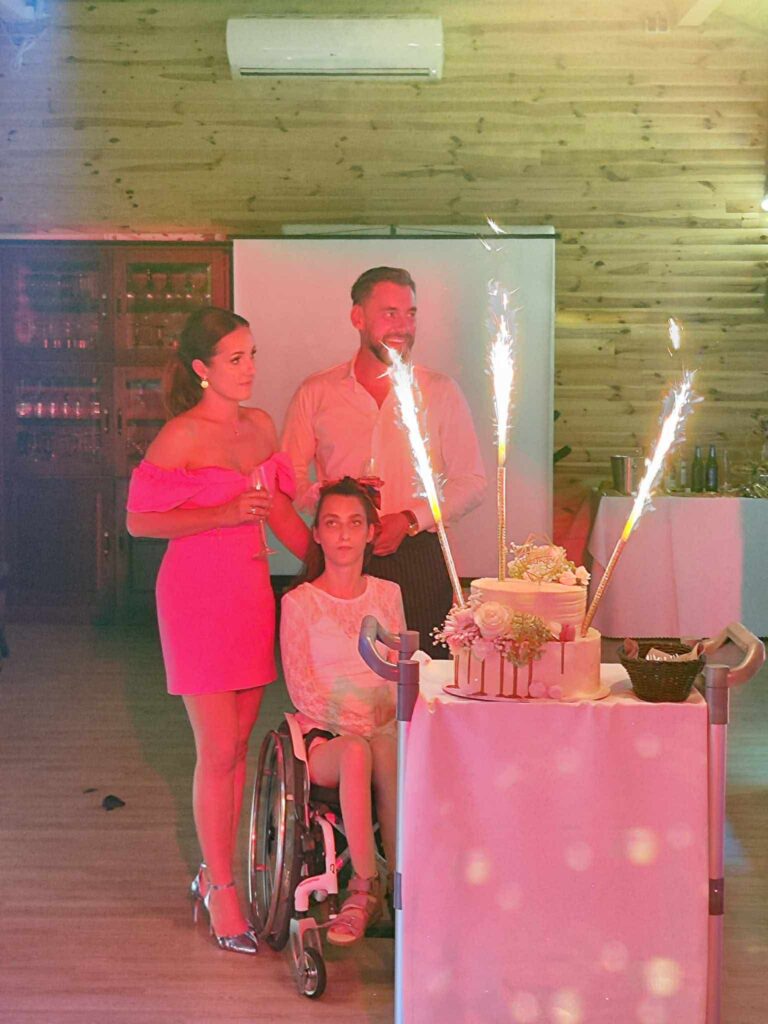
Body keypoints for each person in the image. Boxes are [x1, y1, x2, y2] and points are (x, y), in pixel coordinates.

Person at [126, 307, 309, 955]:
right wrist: (223, 512)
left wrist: (330, 566)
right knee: (218, 749)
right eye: (235, 358)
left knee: (238, 746)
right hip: (194, 598)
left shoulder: (260, 426)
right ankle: (223, 889)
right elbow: (139, 523)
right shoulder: (180, 436)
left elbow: (280, 511)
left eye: (252, 354)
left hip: (251, 595)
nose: (249, 367)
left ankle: (213, 873)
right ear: (202, 368)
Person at [281, 266, 486, 659]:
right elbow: (290, 477)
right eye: (390, 313)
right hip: (342, 558)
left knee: (424, 672)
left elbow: (472, 481)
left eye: (410, 314)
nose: (403, 326)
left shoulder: (440, 391)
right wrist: (332, 509)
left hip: (417, 554)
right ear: (357, 317)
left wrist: (409, 519)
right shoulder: (316, 392)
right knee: (343, 669)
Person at [280, 476, 405, 945]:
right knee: (357, 751)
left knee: (386, 750)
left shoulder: (387, 594)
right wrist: (358, 724)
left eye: (355, 523)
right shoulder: (299, 602)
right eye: (332, 524)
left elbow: (400, 668)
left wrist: (383, 718)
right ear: (317, 533)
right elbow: (301, 689)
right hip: (327, 737)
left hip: (382, 727)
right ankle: (364, 887)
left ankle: (403, 884)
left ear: (371, 532)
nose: (344, 534)